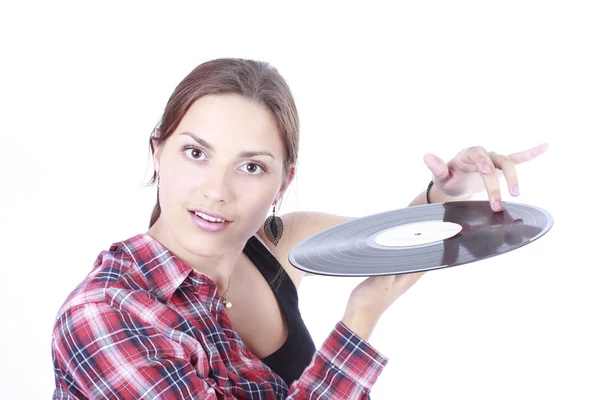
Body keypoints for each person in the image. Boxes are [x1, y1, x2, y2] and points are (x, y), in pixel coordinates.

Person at [50, 58, 549, 399]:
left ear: (283, 181)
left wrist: (447, 193)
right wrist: (359, 320)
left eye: (251, 167)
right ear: (157, 151)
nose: (216, 191)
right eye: (196, 153)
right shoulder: (104, 316)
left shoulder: (278, 245)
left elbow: (400, 242)